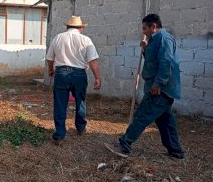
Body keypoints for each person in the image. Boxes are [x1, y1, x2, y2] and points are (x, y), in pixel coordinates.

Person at [106, 14, 185, 159]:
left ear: (153, 26)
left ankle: (124, 145)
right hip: (160, 88)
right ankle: (176, 152)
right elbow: (153, 61)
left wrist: (158, 84)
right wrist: (145, 49)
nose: (144, 32)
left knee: (141, 116)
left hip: (160, 89)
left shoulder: (164, 39)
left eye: (145, 28)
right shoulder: (155, 40)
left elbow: (166, 63)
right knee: (166, 121)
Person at [46, 16, 101, 145]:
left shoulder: (58, 37)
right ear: (81, 28)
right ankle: (81, 127)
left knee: (60, 104)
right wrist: (97, 77)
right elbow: (93, 61)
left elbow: (50, 58)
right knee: (80, 101)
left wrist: (50, 70)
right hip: (79, 74)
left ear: (67, 27)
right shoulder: (86, 40)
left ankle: (59, 135)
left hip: (61, 73)